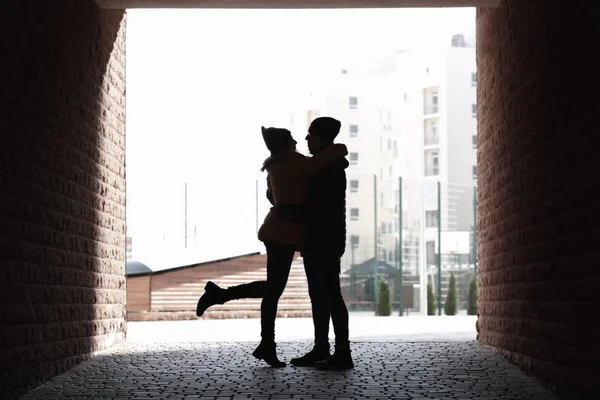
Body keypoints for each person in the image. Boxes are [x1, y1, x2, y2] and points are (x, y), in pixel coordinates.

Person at [195, 126, 348, 368]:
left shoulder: (280, 165)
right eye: (292, 139)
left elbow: (272, 194)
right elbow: (312, 165)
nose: (299, 140)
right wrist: (339, 148)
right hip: (281, 233)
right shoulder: (289, 165)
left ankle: (263, 339)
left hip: (283, 232)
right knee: (274, 289)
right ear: (285, 145)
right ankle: (225, 299)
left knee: (273, 289)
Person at [289, 116, 354, 370]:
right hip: (318, 239)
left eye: (310, 134)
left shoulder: (328, 169)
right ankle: (322, 348)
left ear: (322, 137)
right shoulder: (325, 167)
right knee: (319, 296)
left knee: (330, 296)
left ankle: (341, 352)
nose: (306, 138)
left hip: (324, 240)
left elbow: (313, 205)